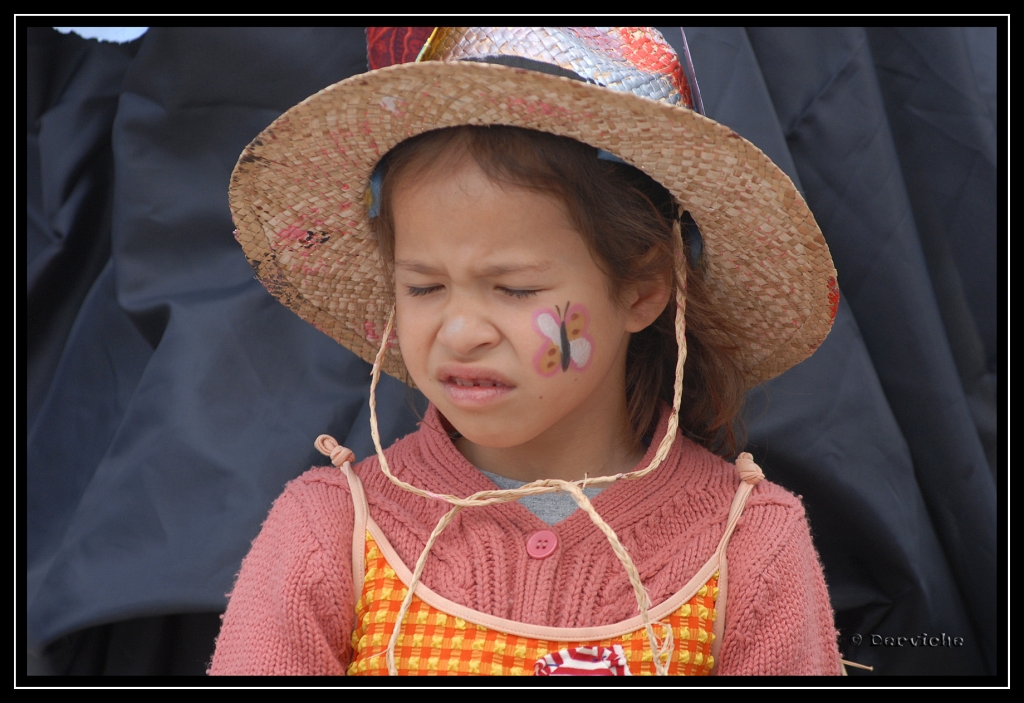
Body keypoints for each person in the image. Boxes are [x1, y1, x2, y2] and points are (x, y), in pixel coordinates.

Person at [208, 27, 843, 676]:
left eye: (513, 289)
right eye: (424, 286)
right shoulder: (333, 532)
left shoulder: (747, 545)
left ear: (642, 288)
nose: (460, 332)